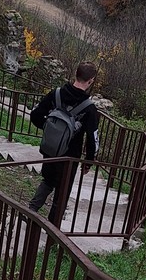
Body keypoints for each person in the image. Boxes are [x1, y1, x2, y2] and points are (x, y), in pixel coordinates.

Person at [28, 62, 100, 226]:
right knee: (63, 191)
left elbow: (35, 115)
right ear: (91, 81)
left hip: (50, 149)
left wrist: (49, 129)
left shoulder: (56, 94)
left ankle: (31, 210)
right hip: (69, 157)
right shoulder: (89, 108)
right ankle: (53, 228)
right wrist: (88, 162)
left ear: (76, 74)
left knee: (48, 180)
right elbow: (92, 138)